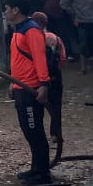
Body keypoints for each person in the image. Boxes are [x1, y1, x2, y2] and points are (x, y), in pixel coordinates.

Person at [3, 0, 53, 186]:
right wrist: (12, 81)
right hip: (20, 86)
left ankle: (42, 173)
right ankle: (36, 168)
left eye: (7, 8)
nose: (5, 12)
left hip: (31, 88)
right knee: (28, 130)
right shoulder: (19, 29)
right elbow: (19, 59)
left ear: (16, 10)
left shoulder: (31, 30)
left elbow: (40, 58)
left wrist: (43, 84)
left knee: (35, 130)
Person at [32, 11, 66, 159]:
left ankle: (37, 134)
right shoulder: (55, 38)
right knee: (56, 106)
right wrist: (55, 72)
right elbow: (63, 57)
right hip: (55, 78)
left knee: (37, 107)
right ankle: (56, 134)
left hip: (38, 78)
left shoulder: (34, 38)